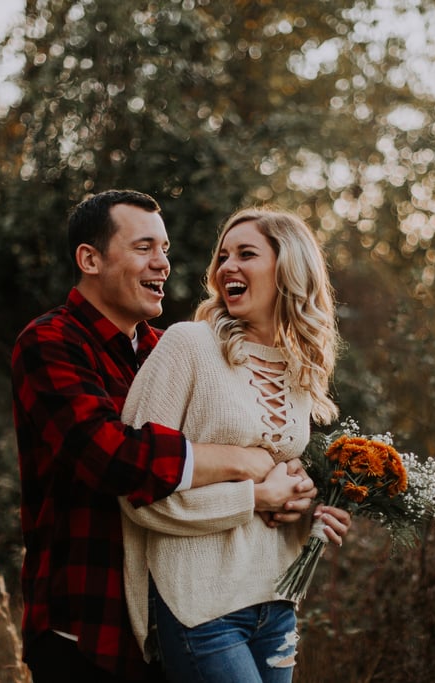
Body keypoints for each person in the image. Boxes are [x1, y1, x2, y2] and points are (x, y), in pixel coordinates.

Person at [10, 191, 316, 683]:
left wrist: (305, 492)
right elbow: (113, 458)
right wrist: (246, 465)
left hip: (167, 610)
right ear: (90, 259)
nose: (163, 264)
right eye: (144, 248)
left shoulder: (167, 347)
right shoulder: (50, 343)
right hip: (85, 622)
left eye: (166, 249)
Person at [119, 207, 353, 683]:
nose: (228, 267)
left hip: (276, 606)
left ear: (288, 269)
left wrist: (309, 509)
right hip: (201, 605)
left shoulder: (299, 371)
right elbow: (137, 493)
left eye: (247, 254)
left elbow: (278, 496)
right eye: (223, 256)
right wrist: (253, 497)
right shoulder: (188, 346)